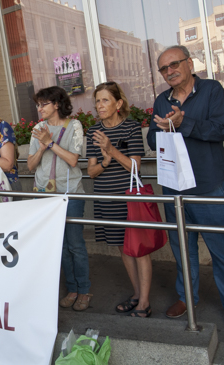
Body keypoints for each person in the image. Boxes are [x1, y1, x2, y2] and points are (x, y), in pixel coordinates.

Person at [147, 45, 224, 331]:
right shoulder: (161, 100)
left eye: (174, 64)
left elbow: (220, 130)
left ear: (189, 63)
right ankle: (187, 297)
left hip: (208, 185)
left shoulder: (211, 90)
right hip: (175, 189)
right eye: (163, 68)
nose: (169, 71)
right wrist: (162, 128)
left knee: (221, 249)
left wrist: (185, 122)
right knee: (182, 248)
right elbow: (151, 139)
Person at [86, 82, 148, 317]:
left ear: (118, 103)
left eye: (104, 100)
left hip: (129, 197)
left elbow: (135, 166)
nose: (98, 105)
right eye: (97, 100)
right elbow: (91, 172)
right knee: (124, 248)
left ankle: (144, 302)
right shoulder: (93, 132)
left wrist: (111, 150)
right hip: (106, 198)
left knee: (139, 249)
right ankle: (136, 294)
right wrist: (104, 162)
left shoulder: (131, 128)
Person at [28, 86, 90, 311]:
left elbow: (73, 160)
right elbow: (31, 165)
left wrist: (51, 143)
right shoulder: (38, 129)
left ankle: (84, 290)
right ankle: (71, 289)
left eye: (43, 104)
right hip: (44, 193)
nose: (39, 108)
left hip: (70, 192)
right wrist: (42, 146)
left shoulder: (74, 125)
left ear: (56, 104)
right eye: (38, 104)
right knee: (59, 246)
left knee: (75, 245)